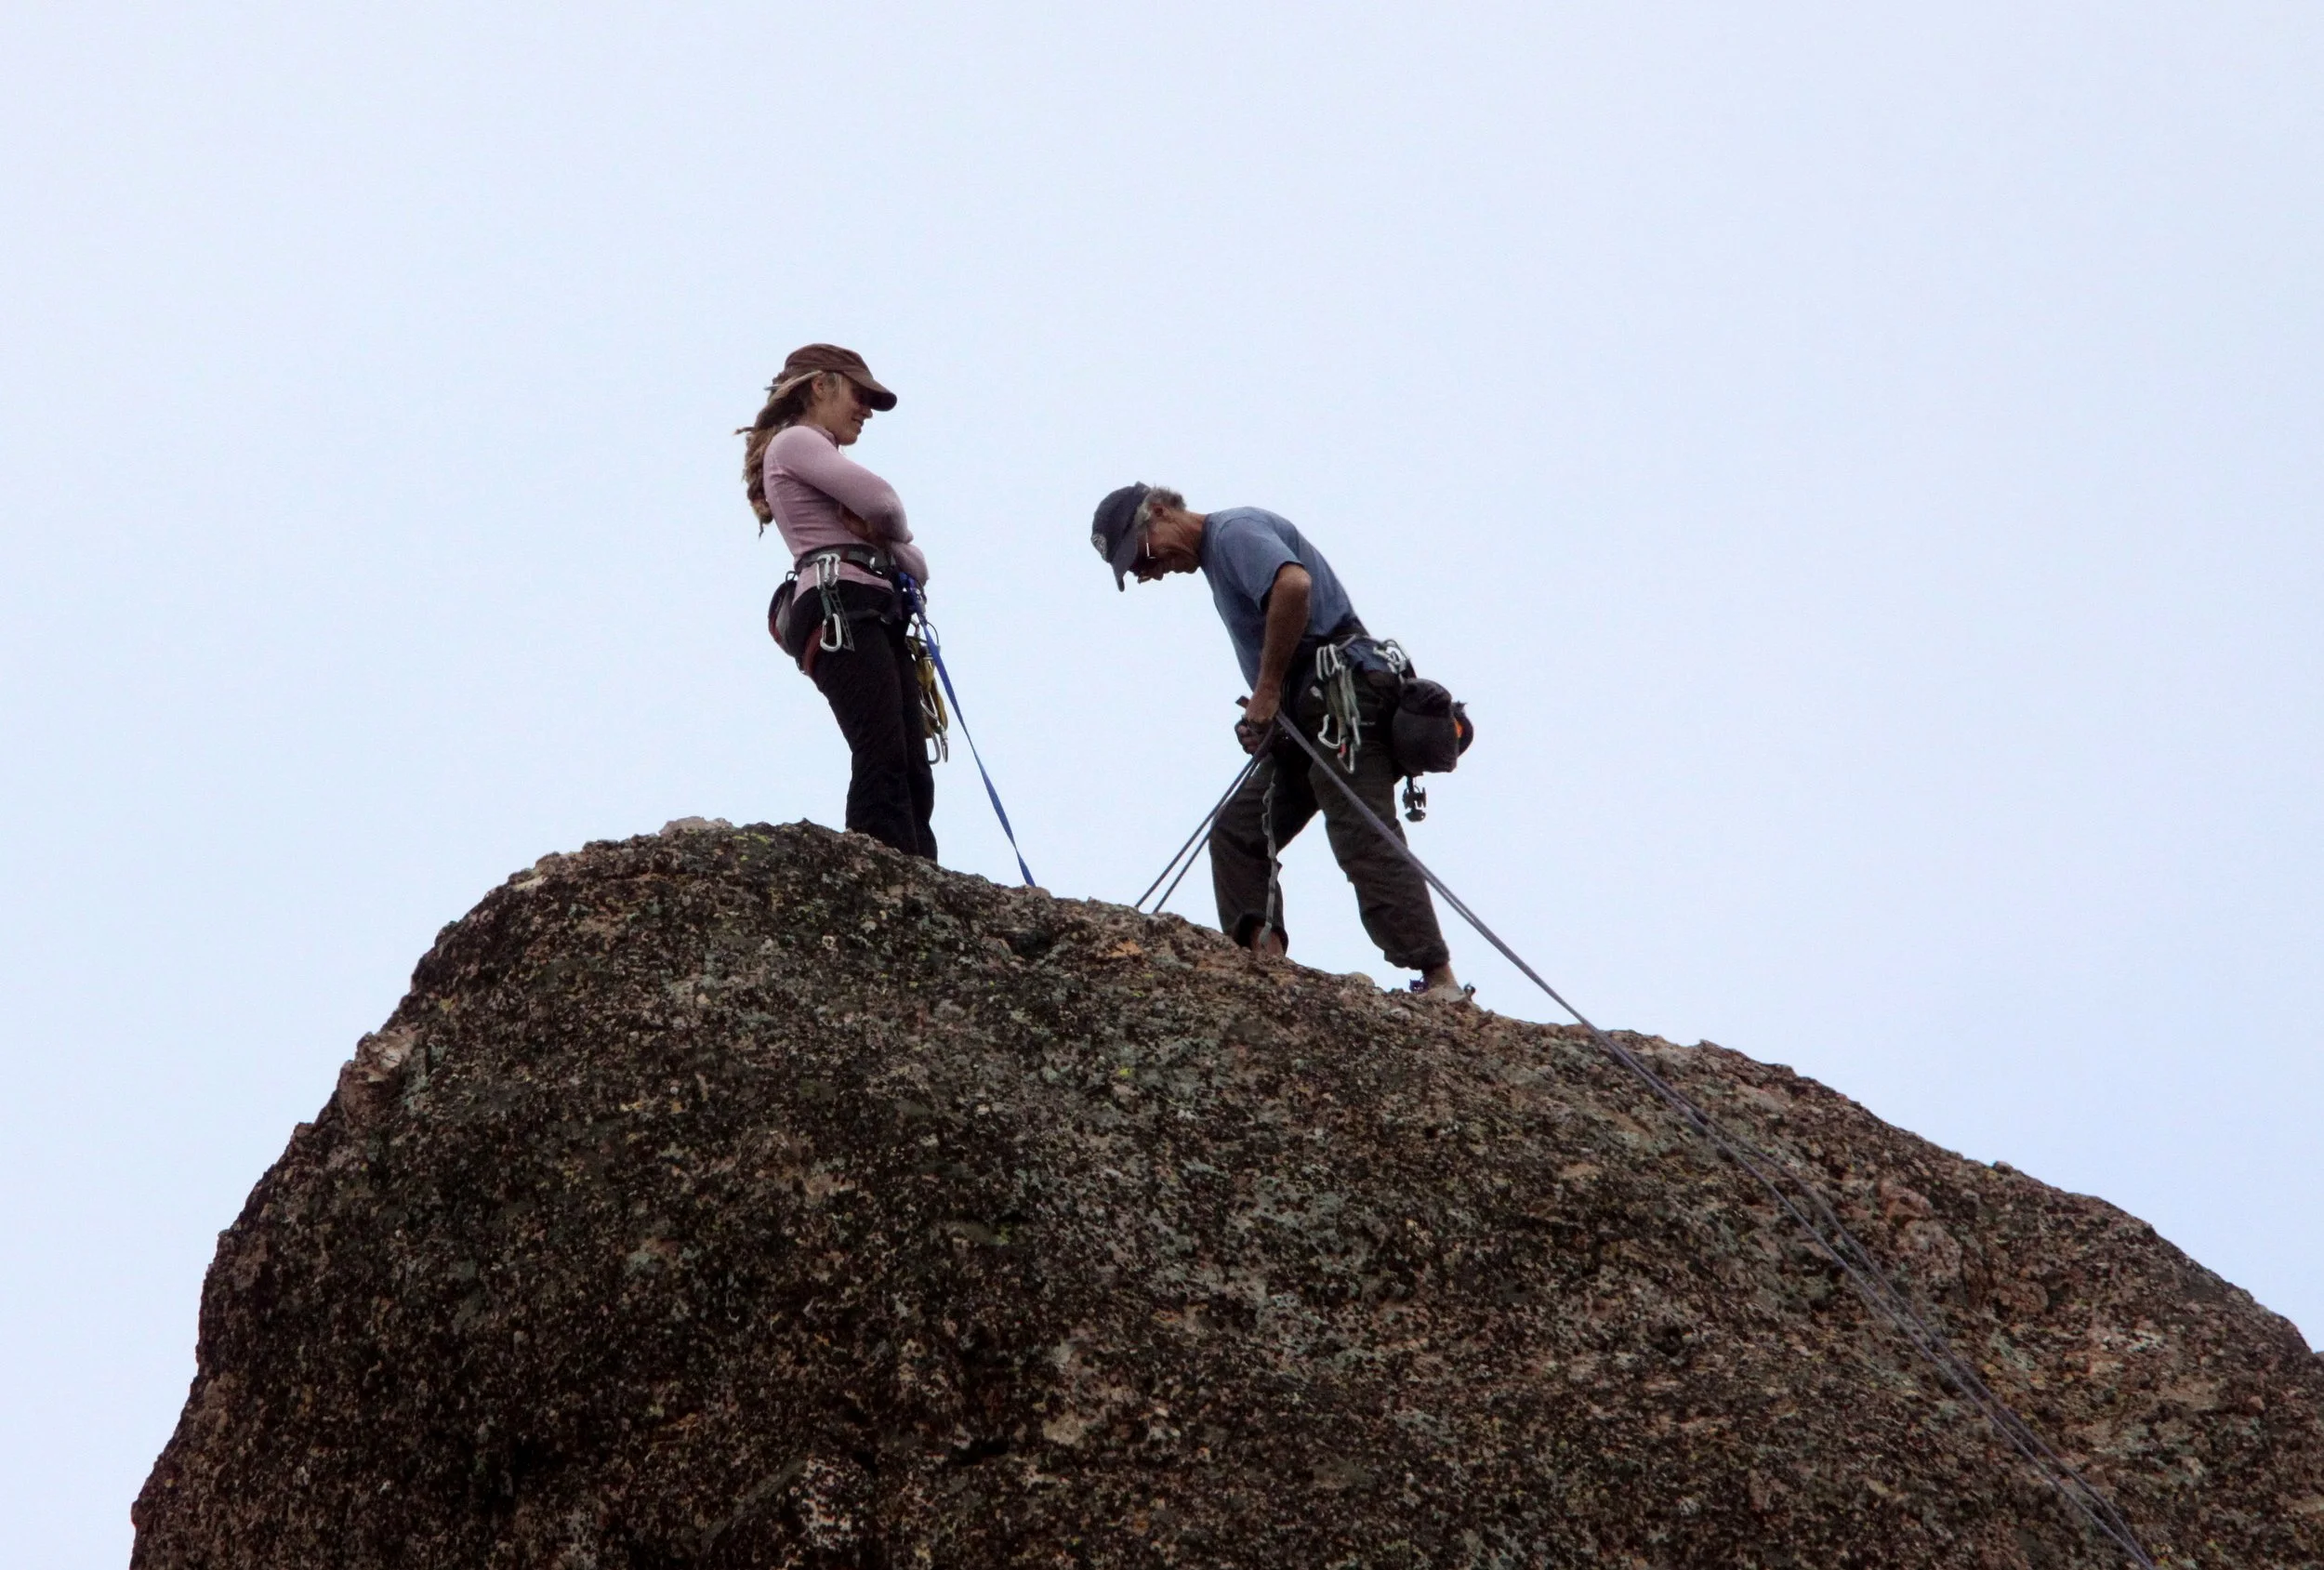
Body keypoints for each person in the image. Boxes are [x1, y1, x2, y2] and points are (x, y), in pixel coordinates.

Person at [1090, 484, 1464, 998]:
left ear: (1159, 512)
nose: (1149, 572)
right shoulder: (1219, 561)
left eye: (1143, 555)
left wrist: (1266, 692)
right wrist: (1268, 714)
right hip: (1307, 716)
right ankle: (1266, 968)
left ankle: (1439, 979)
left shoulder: (1232, 532)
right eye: (1138, 572)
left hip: (1341, 702)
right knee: (1238, 830)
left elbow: (1292, 586)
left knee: (1362, 831)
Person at [738, 344, 936, 860]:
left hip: (866, 609)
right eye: (859, 393)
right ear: (820, 386)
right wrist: (884, 532)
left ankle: (920, 881)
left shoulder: (814, 459)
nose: (866, 409)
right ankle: (880, 876)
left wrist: (883, 537)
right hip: (840, 605)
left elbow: (919, 568)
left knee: (912, 765)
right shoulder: (796, 442)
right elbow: (885, 504)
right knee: (884, 751)